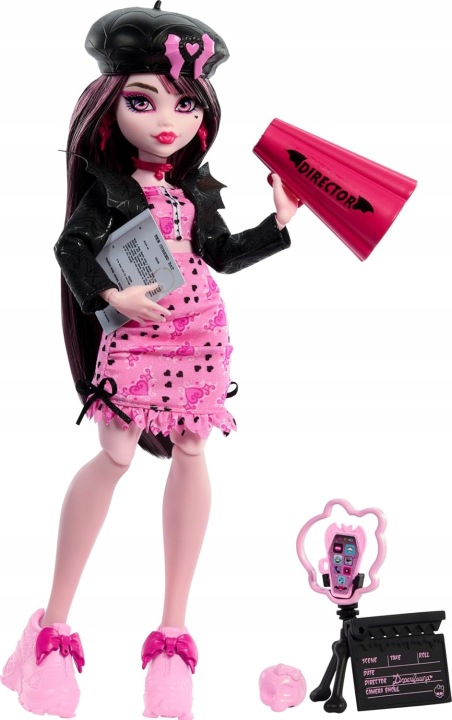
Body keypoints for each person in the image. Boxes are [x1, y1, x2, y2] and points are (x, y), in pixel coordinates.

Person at [1, 4, 299, 719]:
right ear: (109, 104)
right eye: (144, 101)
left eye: (186, 104)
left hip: (200, 334)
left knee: (194, 449)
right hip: (138, 331)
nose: (169, 119)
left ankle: (172, 640)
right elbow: (69, 248)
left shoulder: (196, 187)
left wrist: (279, 223)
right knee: (116, 453)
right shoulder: (108, 186)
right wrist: (111, 295)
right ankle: (51, 631)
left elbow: (221, 255)